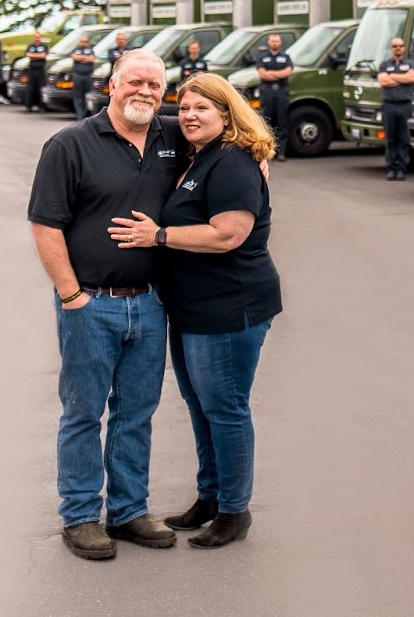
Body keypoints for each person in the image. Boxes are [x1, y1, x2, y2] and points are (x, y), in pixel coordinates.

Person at [110, 72, 279, 551]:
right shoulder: (199, 155)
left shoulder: (232, 163)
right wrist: (131, 98)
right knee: (200, 406)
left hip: (228, 307)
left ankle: (234, 511)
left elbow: (229, 233)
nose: (187, 116)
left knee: (224, 409)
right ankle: (210, 497)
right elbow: (153, 111)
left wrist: (158, 236)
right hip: (189, 308)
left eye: (202, 109)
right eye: (182, 108)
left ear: (226, 115)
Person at [26, 49, 181, 561]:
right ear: (112, 84)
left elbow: (235, 133)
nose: (145, 91)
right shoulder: (70, 144)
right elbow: (45, 225)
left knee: (137, 412)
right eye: (135, 81)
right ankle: (80, 516)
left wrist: (261, 154)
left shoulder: (170, 136)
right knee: (84, 411)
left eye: (155, 85)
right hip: (90, 304)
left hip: (152, 304)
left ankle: (130, 510)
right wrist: (72, 295)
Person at [376, 38, 414, 181]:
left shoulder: (411, 64)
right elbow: (383, 81)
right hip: (389, 105)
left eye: (401, 46)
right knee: (391, 138)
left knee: (403, 138)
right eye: (395, 46)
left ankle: (401, 168)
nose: (398, 48)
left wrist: (392, 77)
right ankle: (391, 168)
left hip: (405, 105)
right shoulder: (384, 65)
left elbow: (411, 78)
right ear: (391, 48)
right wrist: (402, 78)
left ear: (404, 48)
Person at [255, 34, 292, 161]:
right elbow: (262, 74)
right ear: (268, 43)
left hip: (281, 92)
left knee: (282, 122)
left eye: (276, 41)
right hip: (267, 91)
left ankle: (281, 152)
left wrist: (271, 73)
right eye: (272, 41)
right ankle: (266, 152)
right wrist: (278, 75)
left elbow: (287, 72)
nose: (274, 43)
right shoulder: (262, 57)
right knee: (266, 122)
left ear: (280, 42)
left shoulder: (285, 57)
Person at [70, 32, 97, 120]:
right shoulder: (75, 49)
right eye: (82, 41)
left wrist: (81, 58)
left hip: (87, 75)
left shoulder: (90, 50)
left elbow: (92, 59)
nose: (83, 43)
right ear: (79, 42)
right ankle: (79, 115)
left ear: (87, 42)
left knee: (87, 95)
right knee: (78, 96)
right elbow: (74, 57)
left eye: (85, 41)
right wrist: (86, 58)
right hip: (77, 75)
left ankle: (86, 114)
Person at [24, 31, 50, 113]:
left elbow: (43, 55)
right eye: (36, 37)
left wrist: (34, 55)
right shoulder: (30, 46)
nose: (37, 39)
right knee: (30, 88)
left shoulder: (44, 46)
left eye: (38, 37)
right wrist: (38, 55)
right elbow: (28, 54)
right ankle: (28, 106)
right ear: (34, 38)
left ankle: (41, 106)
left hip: (41, 70)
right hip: (32, 70)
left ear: (40, 38)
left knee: (41, 88)